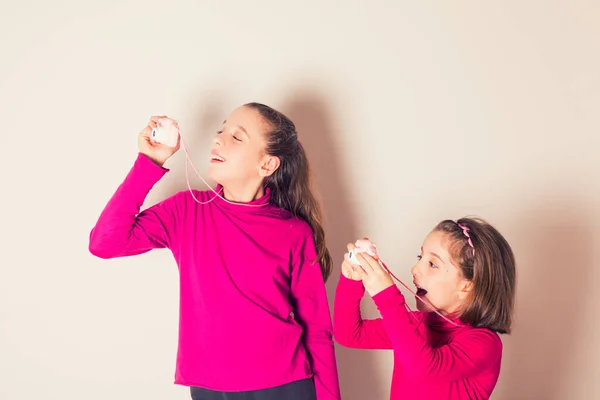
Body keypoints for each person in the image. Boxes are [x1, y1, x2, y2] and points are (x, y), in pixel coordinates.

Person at [89, 103, 341, 400]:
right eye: (221, 130)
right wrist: (149, 161)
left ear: (267, 165)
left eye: (237, 137)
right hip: (209, 388)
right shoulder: (185, 210)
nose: (218, 139)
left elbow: (317, 330)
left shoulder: (294, 232)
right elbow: (105, 243)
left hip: (286, 386)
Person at [333, 218, 516, 399]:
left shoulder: (484, 343)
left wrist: (387, 297)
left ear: (466, 287)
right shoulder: (414, 323)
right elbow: (349, 334)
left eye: (432, 264)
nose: (415, 269)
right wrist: (351, 281)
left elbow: (425, 368)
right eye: (420, 257)